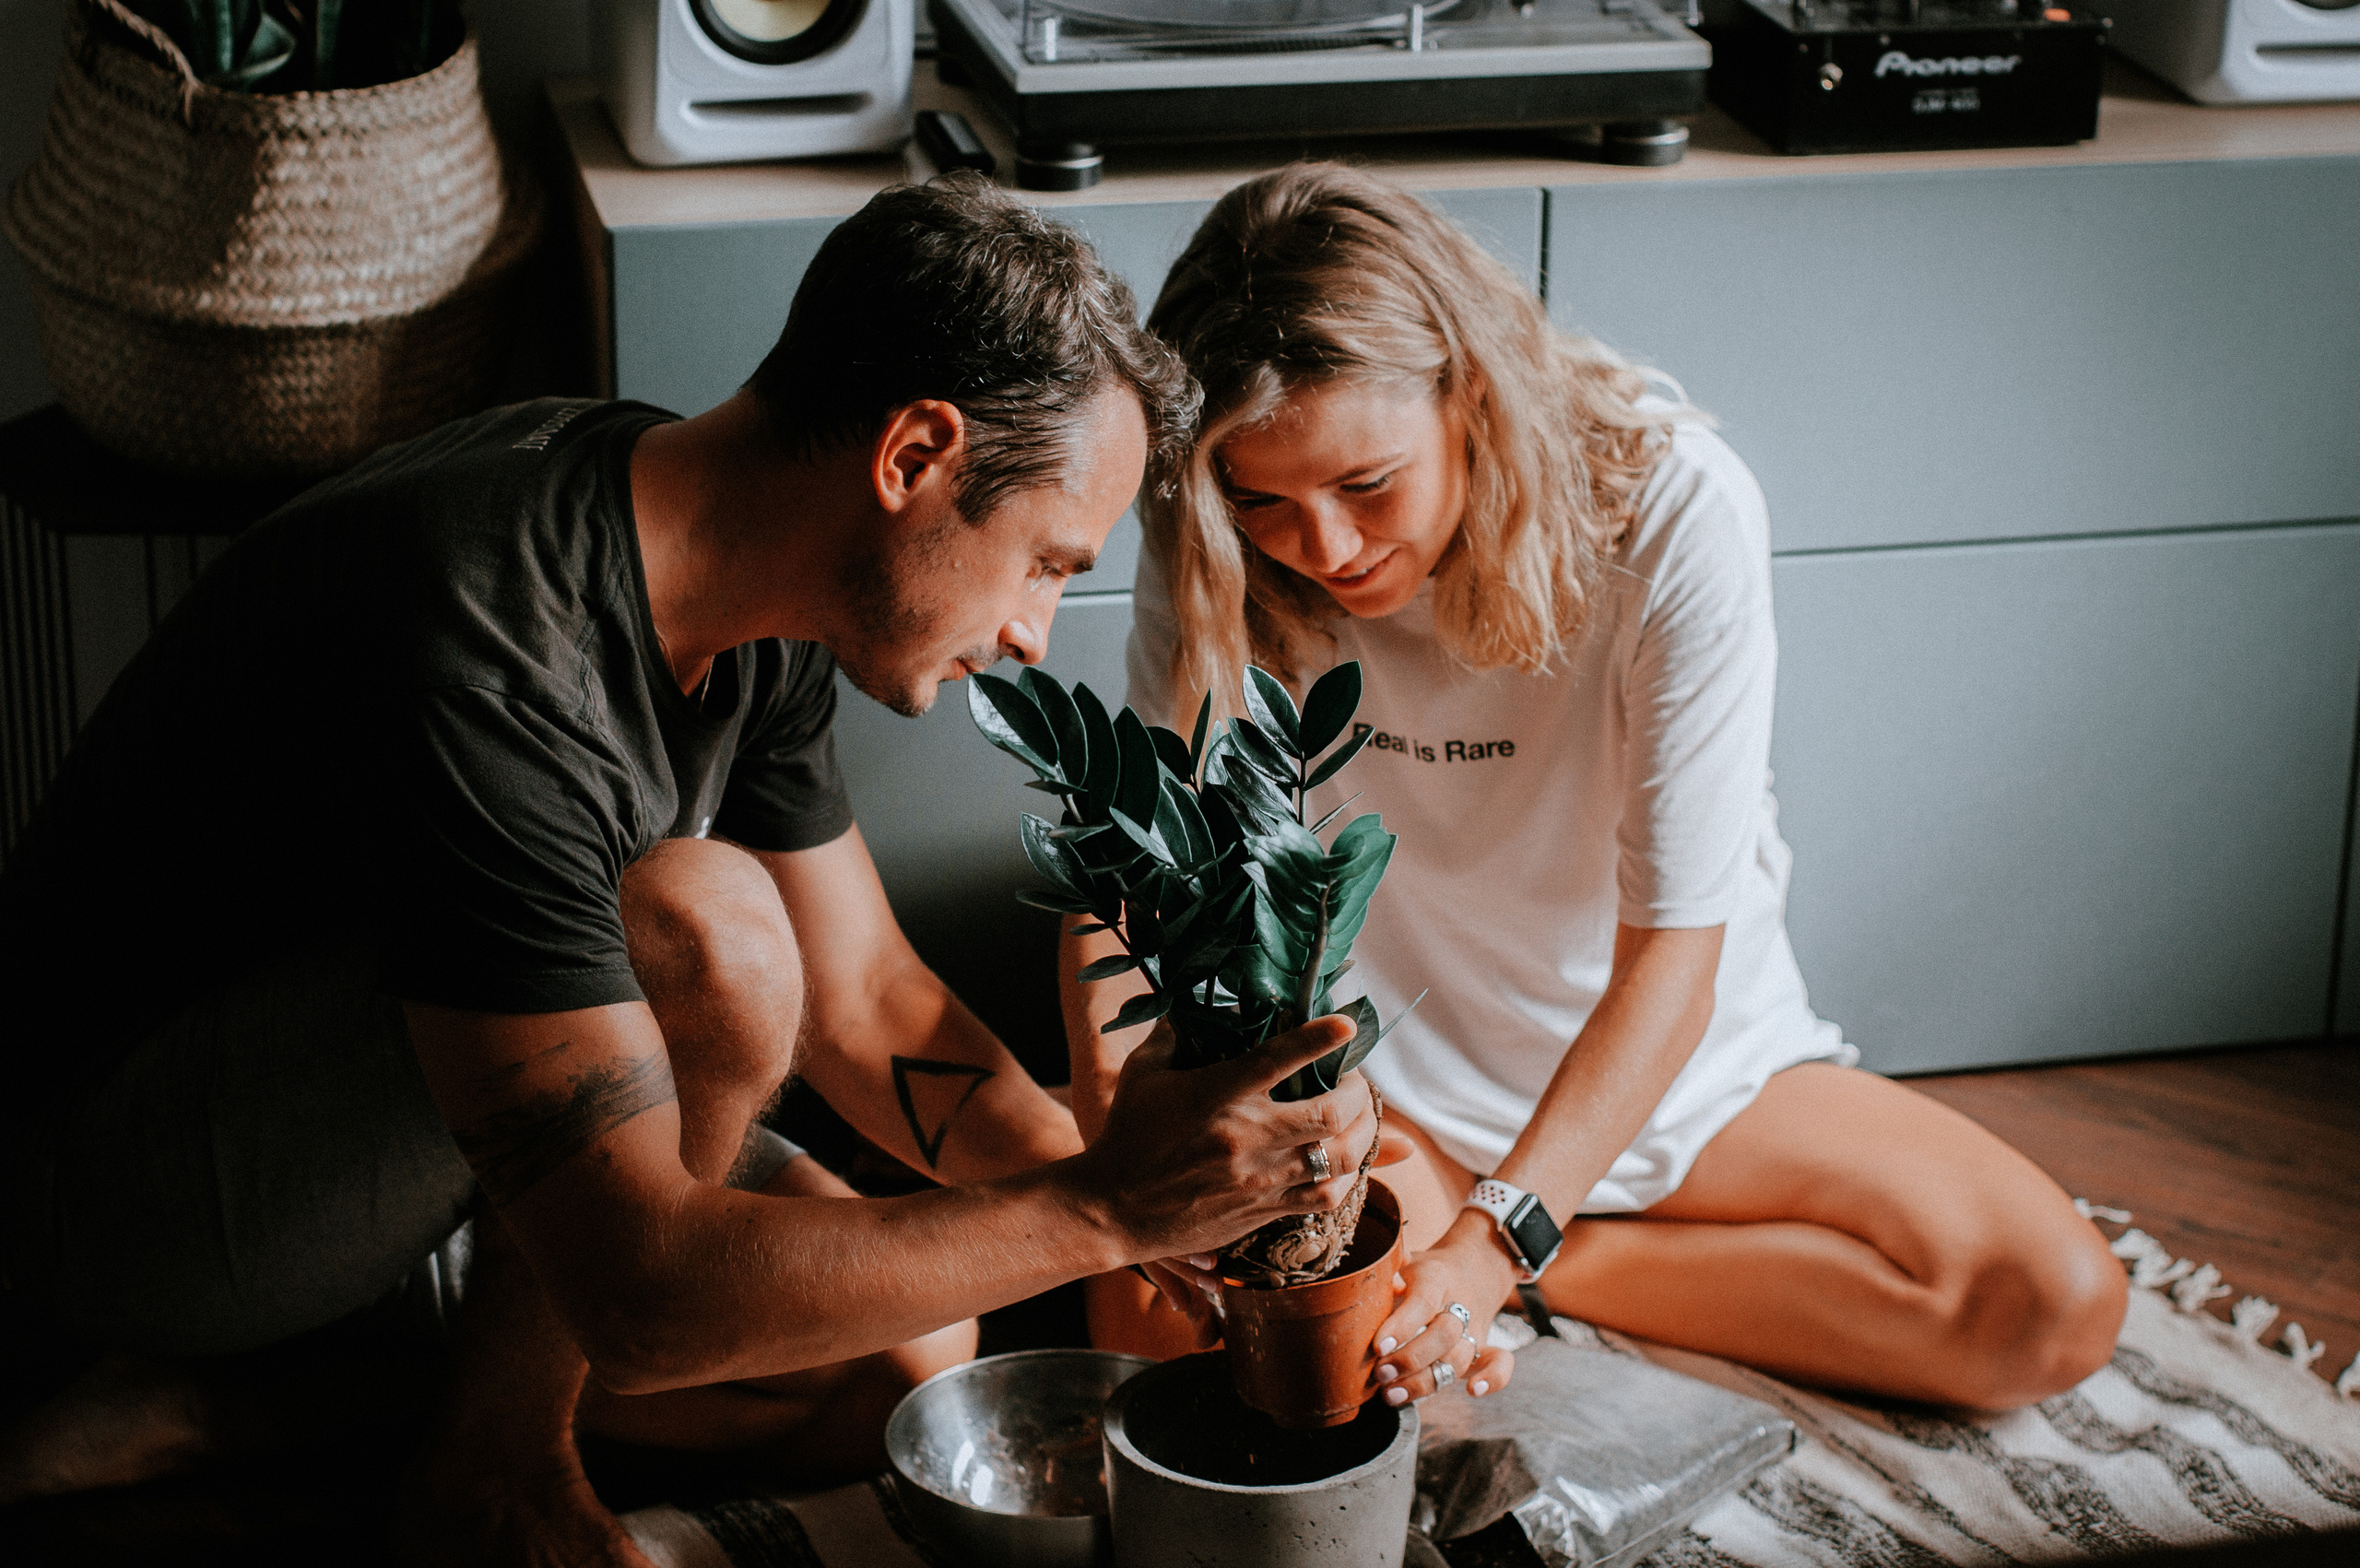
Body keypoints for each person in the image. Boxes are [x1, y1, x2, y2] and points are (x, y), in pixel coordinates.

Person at [0, 174, 1382, 1563]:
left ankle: (245, 1408)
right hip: (129, 1183)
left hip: (441, 1106)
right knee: (712, 933)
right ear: (914, 455)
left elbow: (869, 1004)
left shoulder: (749, 566)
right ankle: (481, 1457)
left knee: (919, 1348)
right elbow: (646, 1301)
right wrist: (1106, 1206)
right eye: (1040, 561)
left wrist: (1160, 1205)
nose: (1033, 630)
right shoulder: (490, 637)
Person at [1063, 162, 2128, 1414]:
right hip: (1394, 1099)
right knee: (1177, 1336)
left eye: (1366, 485)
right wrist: (1135, 1176)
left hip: (1691, 1074)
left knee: (2049, 1304)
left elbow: (1676, 961)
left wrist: (1489, 1244)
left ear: (1468, 396)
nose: (1328, 548)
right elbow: (1142, 895)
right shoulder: (1215, 540)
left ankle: (1553, 1269)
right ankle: (1483, 1249)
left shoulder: (1674, 510)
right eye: (1266, 500)